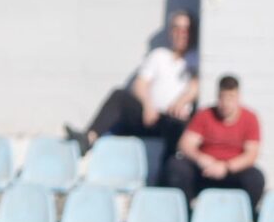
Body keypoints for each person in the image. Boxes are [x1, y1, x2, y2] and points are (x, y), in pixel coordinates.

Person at [65, 10, 198, 159]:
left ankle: (169, 168)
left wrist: (181, 102)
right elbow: (140, 84)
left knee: (178, 125)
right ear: (170, 32)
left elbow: (196, 85)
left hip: (174, 121)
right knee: (119, 96)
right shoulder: (159, 55)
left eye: (185, 29)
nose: (181, 34)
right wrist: (148, 105)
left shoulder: (196, 58)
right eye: (176, 28)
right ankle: (88, 139)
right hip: (150, 116)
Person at [164, 75, 266, 211]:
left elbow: (251, 154)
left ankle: (245, 215)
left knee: (255, 178)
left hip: (232, 171)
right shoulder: (205, 115)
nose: (226, 103)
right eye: (222, 97)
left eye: (230, 98)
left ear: (238, 98)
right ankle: (185, 213)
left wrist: (226, 167)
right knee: (176, 167)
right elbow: (185, 144)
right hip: (205, 170)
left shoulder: (250, 118)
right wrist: (202, 159)